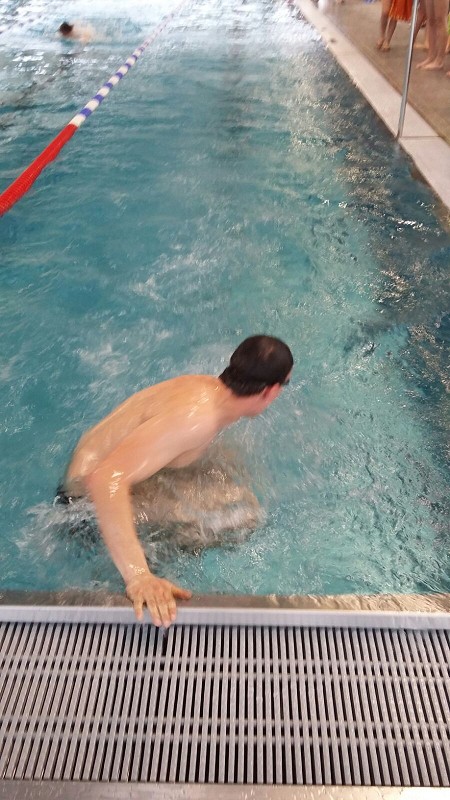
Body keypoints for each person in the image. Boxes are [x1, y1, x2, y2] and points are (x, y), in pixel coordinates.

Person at [58, 335, 293, 627]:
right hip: (82, 506)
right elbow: (105, 478)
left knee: (230, 482)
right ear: (271, 391)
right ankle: (134, 571)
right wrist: (138, 576)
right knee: (242, 518)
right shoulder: (196, 421)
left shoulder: (205, 388)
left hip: (94, 473)